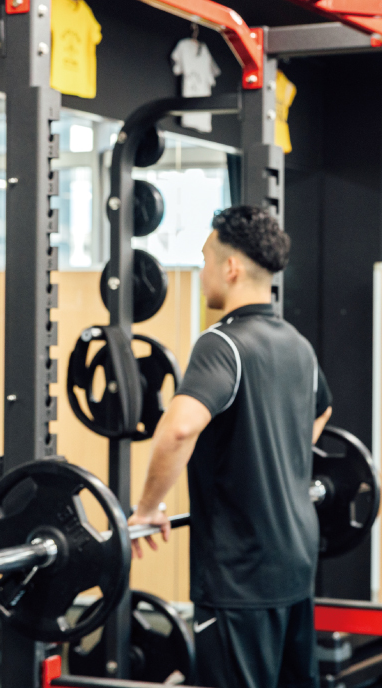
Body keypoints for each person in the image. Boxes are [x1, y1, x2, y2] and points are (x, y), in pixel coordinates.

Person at [129, 205, 333, 688]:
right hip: (296, 562)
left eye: (204, 261)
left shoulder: (222, 344)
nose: (201, 275)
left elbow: (179, 428)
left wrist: (147, 508)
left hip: (239, 575)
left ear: (231, 267)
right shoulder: (296, 344)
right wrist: (281, 461)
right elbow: (322, 410)